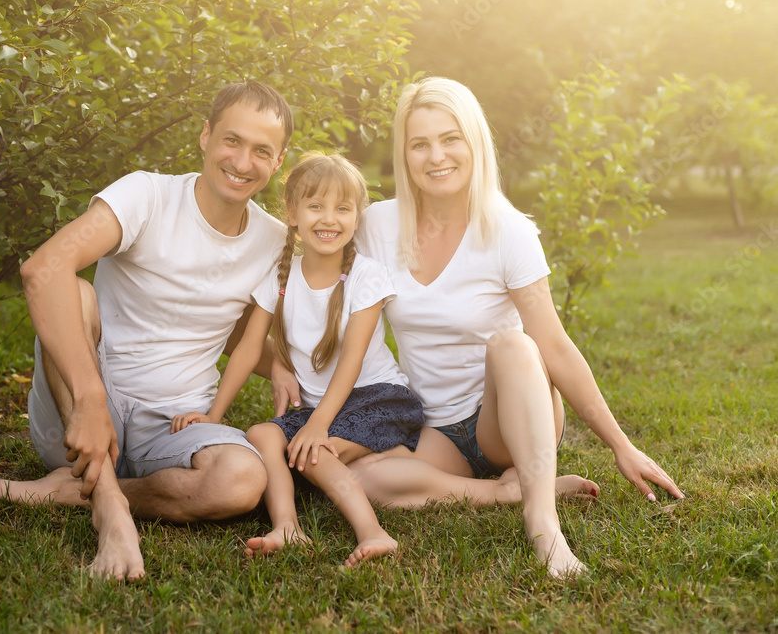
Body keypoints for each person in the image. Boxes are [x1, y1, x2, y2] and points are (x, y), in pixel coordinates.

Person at [273, 77, 682, 579]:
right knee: (365, 479)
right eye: (419, 144)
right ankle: (511, 490)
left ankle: (543, 523)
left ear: (474, 142)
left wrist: (622, 445)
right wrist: (275, 363)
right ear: (404, 154)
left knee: (513, 343)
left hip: (505, 418)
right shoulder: (377, 225)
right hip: (434, 430)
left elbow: (552, 344)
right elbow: (302, 255)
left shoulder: (508, 230)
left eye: (450, 138)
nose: (436, 156)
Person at [0, 80, 295, 582]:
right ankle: (109, 509)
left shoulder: (273, 240)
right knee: (73, 291)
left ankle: (69, 492)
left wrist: (288, 369)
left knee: (242, 481)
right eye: (232, 140)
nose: (243, 162)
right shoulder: (147, 195)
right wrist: (91, 401)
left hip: (175, 426)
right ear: (205, 135)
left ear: (279, 160)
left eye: (261, 151)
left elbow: (232, 331)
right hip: (85, 412)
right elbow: (42, 270)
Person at [173, 152, 536, 568]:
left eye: (342, 208)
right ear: (291, 213)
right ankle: (287, 527)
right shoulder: (280, 276)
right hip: (328, 408)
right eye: (315, 206)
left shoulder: (366, 277)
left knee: (313, 451)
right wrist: (214, 416)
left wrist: (318, 423)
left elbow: (350, 360)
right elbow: (248, 349)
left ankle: (373, 533)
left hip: (378, 398)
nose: (329, 219)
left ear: (357, 217)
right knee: (262, 434)